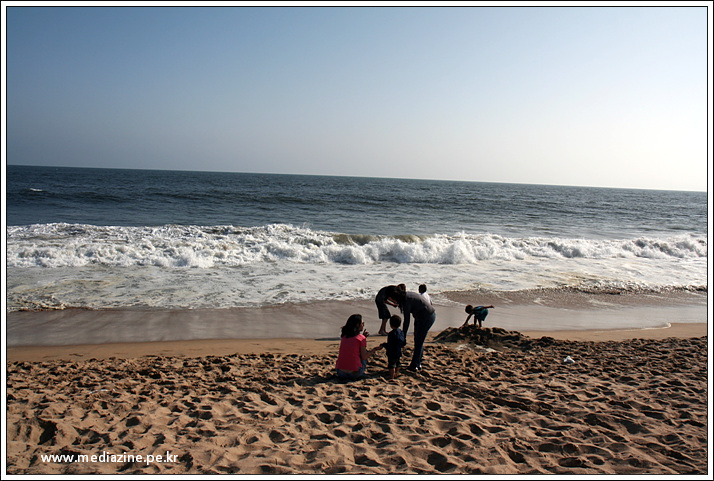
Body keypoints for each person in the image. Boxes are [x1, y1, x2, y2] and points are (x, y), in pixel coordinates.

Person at [393, 289, 436, 372]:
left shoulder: (406, 301)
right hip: (422, 316)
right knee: (418, 340)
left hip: (427, 317)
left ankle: (415, 365)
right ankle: (418, 362)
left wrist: (403, 336)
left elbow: (407, 320)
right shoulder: (408, 295)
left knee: (418, 342)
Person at [335, 314, 384, 380]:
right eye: (362, 323)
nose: (363, 325)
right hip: (355, 373)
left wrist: (363, 337)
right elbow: (364, 356)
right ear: (357, 325)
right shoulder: (361, 338)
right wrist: (374, 349)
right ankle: (360, 372)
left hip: (340, 372)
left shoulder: (344, 336)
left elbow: (353, 342)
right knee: (363, 354)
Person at [380, 315, 407, 380]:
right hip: (398, 351)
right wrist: (402, 345)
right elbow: (403, 341)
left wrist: (383, 345)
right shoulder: (401, 332)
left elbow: (390, 344)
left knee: (391, 365)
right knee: (397, 363)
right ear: (400, 324)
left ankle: (391, 376)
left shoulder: (391, 334)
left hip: (392, 352)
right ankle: (396, 373)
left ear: (390, 325)